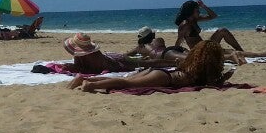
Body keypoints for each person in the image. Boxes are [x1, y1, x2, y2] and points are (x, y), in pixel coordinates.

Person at [70, 40, 232, 92]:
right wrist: (224, 78)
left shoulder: (193, 65)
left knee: (125, 79)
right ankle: (89, 85)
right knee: (126, 83)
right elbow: (211, 84)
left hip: (161, 73)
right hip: (165, 78)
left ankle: (82, 79)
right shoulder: (203, 71)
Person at [174, 0, 266, 61]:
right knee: (229, 52)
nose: (199, 12)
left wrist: (204, 6)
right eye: (197, 10)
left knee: (222, 30)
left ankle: (242, 51)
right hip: (200, 50)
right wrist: (175, 53)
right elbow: (179, 41)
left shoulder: (195, 19)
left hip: (205, 45)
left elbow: (213, 16)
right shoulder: (185, 25)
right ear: (191, 12)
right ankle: (259, 54)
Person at [62, 33, 178, 74]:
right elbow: (80, 66)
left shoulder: (94, 56)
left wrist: (73, 68)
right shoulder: (80, 54)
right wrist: (74, 67)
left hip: (117, 62)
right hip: (111, 57)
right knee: (144, 62)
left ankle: (173, 63)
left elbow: (93, 70)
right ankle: (173, 62)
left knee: (144, 63)